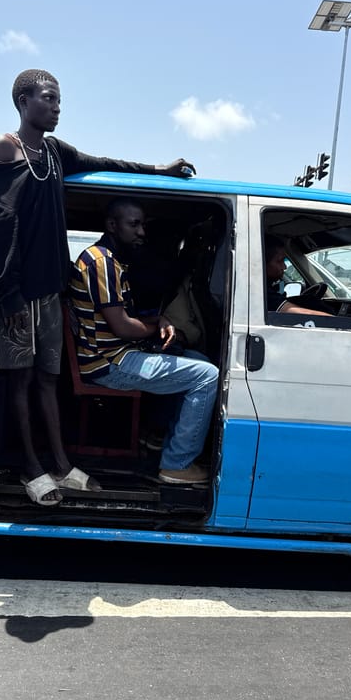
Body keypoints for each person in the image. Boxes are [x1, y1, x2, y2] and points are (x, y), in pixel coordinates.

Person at [0, 68, 196, 506]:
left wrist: (159, 170)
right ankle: (30, 467)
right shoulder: (7, 147)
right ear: (23, 102)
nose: (57, 106)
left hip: (50, 287)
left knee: (48, 380)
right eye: (48, 98)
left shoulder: (55, 152)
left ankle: (60, 462)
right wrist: (9, 292)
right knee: (19, 382)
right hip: (18, 292)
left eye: (59, 100)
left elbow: (104, 163)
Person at [69, 198, 219, 485]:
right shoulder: (101, 262)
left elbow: (128, 317)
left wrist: (160, 322)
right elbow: (123, 327)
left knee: (201, 362)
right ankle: (177, 464)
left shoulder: (111, 260)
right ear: (112, 225)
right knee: (207, 377)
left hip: (118, 354)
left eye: (142, 225)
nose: (141, 232)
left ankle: (160, 439)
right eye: (133, 224)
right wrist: (157, 327)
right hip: (108, 363)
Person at [265, 235, 332, 316]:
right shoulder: (263, 294)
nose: (285, 267)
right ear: (263, 263)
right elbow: (302, 313)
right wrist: (340, 322)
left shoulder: (266, 290)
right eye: (280, 261)